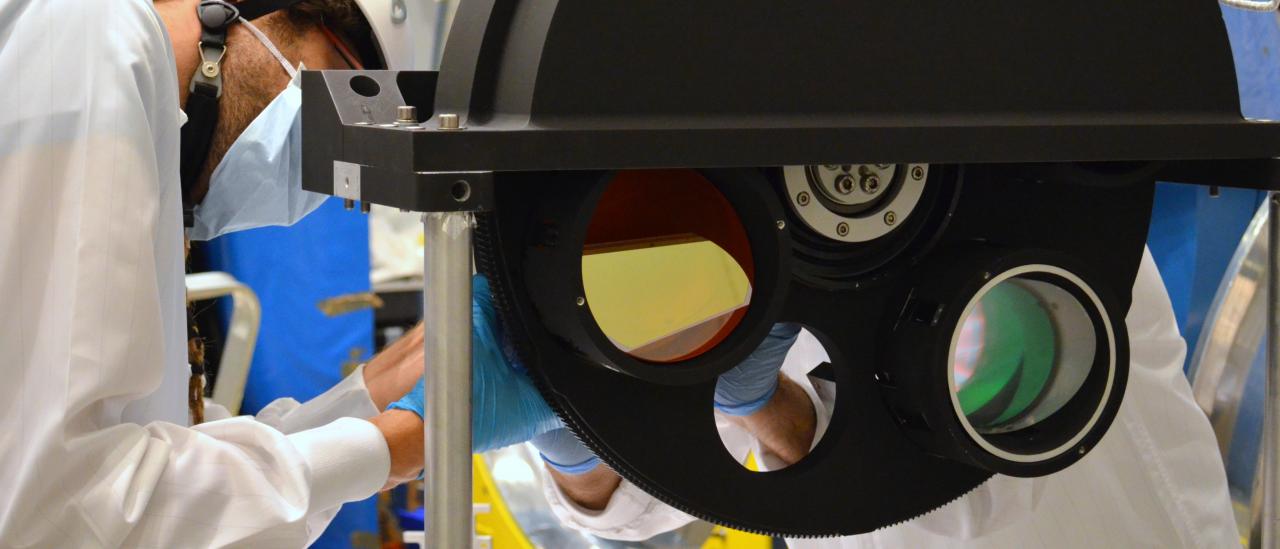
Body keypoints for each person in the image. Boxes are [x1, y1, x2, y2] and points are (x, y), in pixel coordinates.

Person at [0, 0, 560, 546]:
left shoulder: (133, 123)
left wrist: (377, 392)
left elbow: (174, 465)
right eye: (347, 87)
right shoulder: (88, 43)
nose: (336, 142)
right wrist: (407, 441)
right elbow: (64, 510)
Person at [530, 251, 1243, 548]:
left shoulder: (1015, 160)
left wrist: (753, 404)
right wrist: (565, 420)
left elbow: (990, 472)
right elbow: (637, 493)